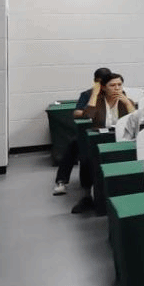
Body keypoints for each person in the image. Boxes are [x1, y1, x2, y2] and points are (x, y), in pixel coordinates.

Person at [75, 72, 135, 214]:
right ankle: (87, 196)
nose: (117, 88)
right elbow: (88, 115)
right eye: (112, 85)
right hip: (101, 138)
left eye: (119, 85)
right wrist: (94, 94)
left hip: (122, 139)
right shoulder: (98, 101)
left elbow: (135, 120)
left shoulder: (126, 100)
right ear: (104, 87)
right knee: (87, 159)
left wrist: (127, 103)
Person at [53, 67, 111, 195]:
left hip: (110, 130)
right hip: (91, 130)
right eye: (98, 82)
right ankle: (61, 181)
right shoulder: (87, 94)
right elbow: (76, 113)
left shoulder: (116, 93)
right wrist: (91, 111)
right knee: (73, 145)